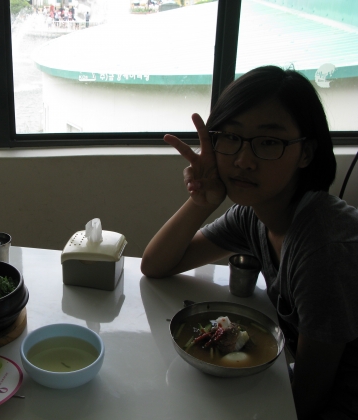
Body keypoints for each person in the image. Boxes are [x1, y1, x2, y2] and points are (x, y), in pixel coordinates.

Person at [141, 66, 358, 420]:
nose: (243, 161)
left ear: (306, 153)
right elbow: (156, 264)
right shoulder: (255, 216)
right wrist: (202, 202)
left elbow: (309, 398)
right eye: (230, 137)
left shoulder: (324, 247)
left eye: (269, 142)